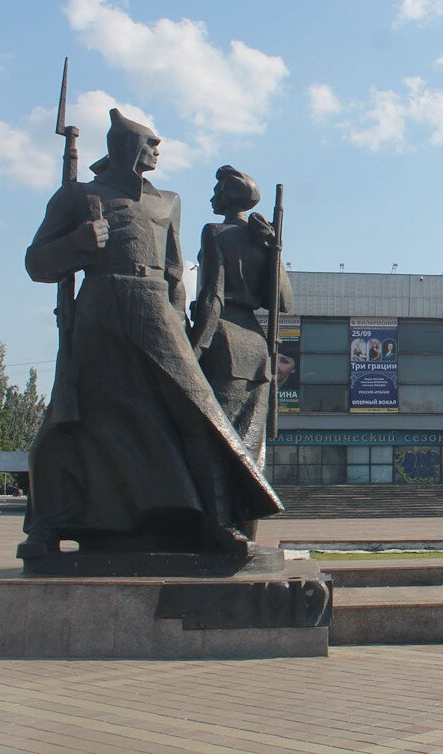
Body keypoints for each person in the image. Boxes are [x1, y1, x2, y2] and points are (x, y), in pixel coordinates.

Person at [20, 110, 282, 562]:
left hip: (157, 308)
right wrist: (79, 243)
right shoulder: (78, 195)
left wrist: (183, 326)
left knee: (195, 409)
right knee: (73, 416)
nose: (157, 150)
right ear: (123, 145)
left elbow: (176, 272)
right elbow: (37, 263)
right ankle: (46, 526)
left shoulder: (168, 201)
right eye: (149, 142)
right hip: (100, 305)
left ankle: (218, 522)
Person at [189, 165, 292, 472]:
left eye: (216, 192)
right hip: (257, 347)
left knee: (218, 440)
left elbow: (213, 295)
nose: (212, 198)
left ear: (228, 196)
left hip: (223, 338)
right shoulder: (262, 240)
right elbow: (284, 302)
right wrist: (273, 251)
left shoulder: (215, 232)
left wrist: (195, 348)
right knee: (249, 445)